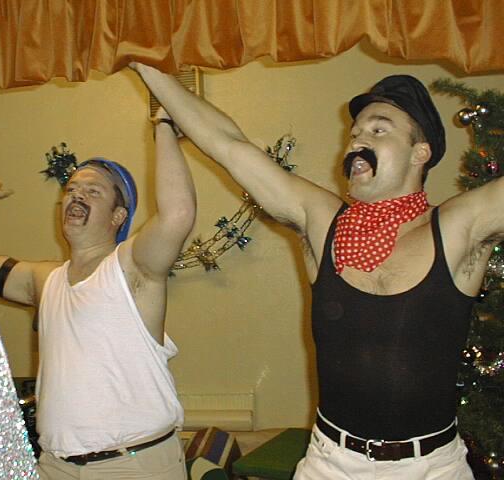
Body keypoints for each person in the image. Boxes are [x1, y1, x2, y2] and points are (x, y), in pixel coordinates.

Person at [132, 65, 488, 479]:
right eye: (355, 133)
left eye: (378, 130)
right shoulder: (323, 221)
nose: (357, 141)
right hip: (330, 464)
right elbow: (229, 144)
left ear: (420, 152)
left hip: (431, 468)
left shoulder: (459, 227)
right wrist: (144, 64)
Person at [0, 109, 196, 480]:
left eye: (93, 191)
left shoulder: (132, 267)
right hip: (57, 465)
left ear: (118, 216)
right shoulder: (45, 279)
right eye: (71, 190)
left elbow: (177, 214)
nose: (77, 195)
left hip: (132, 465)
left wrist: (164, 126)